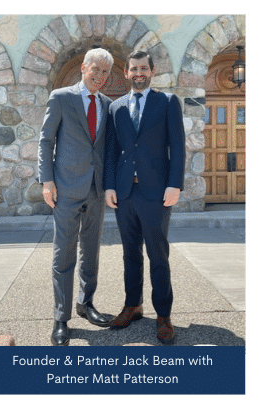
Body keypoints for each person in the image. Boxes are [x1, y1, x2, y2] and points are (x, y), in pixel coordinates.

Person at [103, 51, 186, 345]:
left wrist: (175, 184)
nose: (138, 73)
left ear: (151, 71)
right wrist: (109, 186)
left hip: (156, 192)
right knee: (129, 253)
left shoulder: (167, 103)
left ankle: (163, 314)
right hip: (125, 192)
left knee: (158, 255)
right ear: (126, 73)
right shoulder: (116, 107)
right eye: (133, 68)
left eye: (143, 68)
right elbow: (111, 150)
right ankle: (133, 305)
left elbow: (177, 145)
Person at [38, 48, 115, 346]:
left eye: (105, 72)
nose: (99, 76)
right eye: (95, 69)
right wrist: (47, 181)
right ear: (83, 67)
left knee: (91, 251)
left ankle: (86, 304)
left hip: (95, 191)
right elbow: (46, 141)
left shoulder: (107, 104)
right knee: (64, 254)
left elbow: (107, 149)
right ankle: (61, 317)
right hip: (66, 189)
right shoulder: (61, 98)